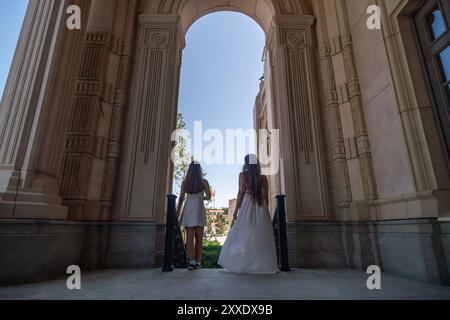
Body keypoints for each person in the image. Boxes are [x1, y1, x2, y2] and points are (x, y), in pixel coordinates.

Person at [218, 154, 279, 274]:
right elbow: (266, 196)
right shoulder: (263, 178)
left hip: (247, 205)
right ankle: (261, 265)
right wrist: (266, 211)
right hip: (261, 206)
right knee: (261, 235)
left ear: (246, 164)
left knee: (243, 234)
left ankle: (243, 264)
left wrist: (236, 210)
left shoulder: (243, 175)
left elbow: (241, 192)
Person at [177, 162, 211, 270]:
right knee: (199, 237)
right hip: (199, 209)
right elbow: (209, 197)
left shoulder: (185, 183)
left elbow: (181, 198)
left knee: (190, 236)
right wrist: (200, 198)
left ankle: (191, 261)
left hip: (188, 209)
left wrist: (178, 212)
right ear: (199, 170)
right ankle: (198, 262)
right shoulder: (204, 182)